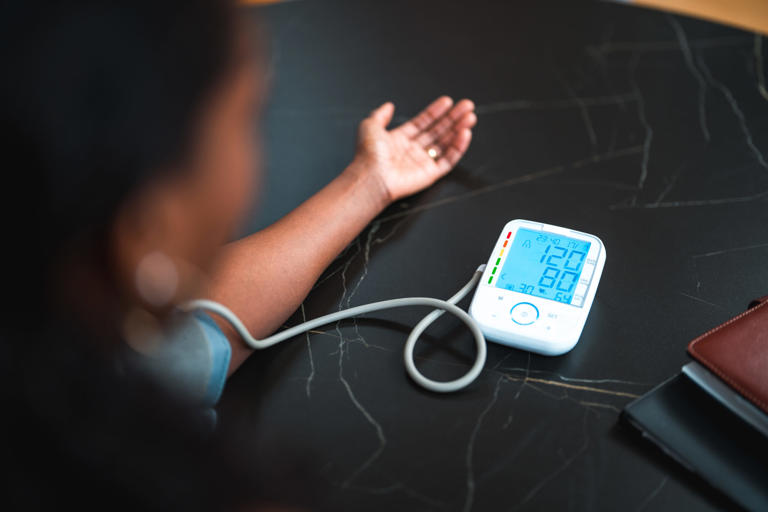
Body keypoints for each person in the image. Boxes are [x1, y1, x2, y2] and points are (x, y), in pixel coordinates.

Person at [1, 0, 477, 508]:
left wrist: (370, 184)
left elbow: (177, 341)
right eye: (247, 116)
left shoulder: (59, 342)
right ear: (143, 224)